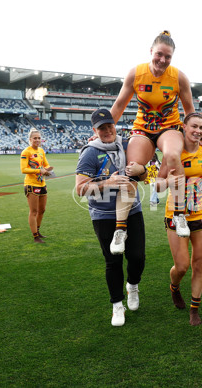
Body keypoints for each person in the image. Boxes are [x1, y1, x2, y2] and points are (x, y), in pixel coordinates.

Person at [110, 30, 195, 240]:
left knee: (174, 156)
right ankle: (120, 229)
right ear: (151, 51)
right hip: (143, 129)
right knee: (130, 169)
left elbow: (190, 111)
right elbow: (119, 104)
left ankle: (179, 213)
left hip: (170, 127)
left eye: (168, 57)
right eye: (159, 54)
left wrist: (194, 136)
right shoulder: (136, 74)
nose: (163, 60)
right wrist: (103, 130)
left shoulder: (179, 77)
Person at [75, 109, 147, 327]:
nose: (107, 131)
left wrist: (142, 169)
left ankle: (133, 285)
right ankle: (117, 305)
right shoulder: (89, 153)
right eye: (102, 128)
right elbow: (80, 189)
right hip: (103, 214)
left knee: (137, 257)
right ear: (94, 131)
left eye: (110, 126)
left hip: (131, 210)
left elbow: (145, 176)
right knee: (113, 261)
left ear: (115, 125)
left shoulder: (127, 145)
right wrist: (107, 183)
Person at [156, 112, 202, 326]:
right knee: (181, 266)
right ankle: (174, 287)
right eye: (194, 126)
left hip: (200, 213)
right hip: (175, 214)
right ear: (184, 126)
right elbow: (157, 185)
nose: (198, 131)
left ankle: (194, 308)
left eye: (201, 127)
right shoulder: (173, 152)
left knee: (199, 264)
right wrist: (169, 180)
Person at [20, 129, 53, 243]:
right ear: (30, 139)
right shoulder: (26, 152)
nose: (37, 140)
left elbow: (46, 164)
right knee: (33, 211)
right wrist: (40, 170)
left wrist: (48, 169)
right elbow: (24, 169)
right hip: (31, 184)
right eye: (35, 138)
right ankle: (35, 236)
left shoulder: (41, 151)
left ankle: (38, 231)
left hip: (42, 183)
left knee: (42, 210)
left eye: (39, 138)